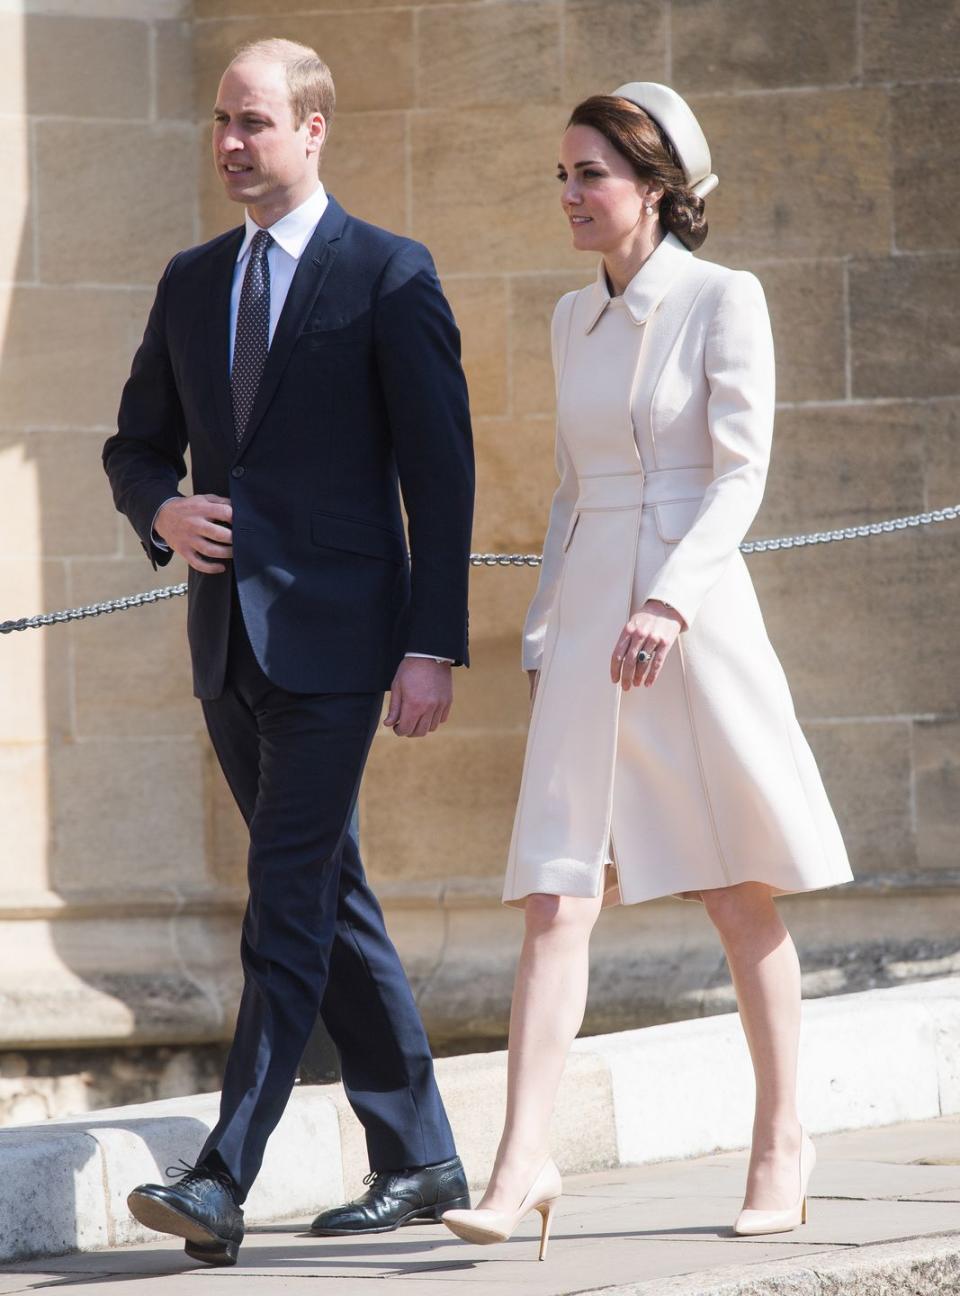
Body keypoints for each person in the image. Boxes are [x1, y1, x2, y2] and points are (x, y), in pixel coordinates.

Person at [442, 82, 853, 1260]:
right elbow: (571, 495)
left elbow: (740, 472)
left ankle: (783, 1141)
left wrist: (669, 599)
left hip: (692, 614)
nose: (569, 196)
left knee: (737, 891)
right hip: (584, 623)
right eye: (561, 176)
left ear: (658, 188)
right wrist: (539, 634)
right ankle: (522, 1162)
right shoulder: (572, 320)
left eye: (591, 176)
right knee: (558, 894)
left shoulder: (728, 300)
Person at [102, 38, 474, 1267]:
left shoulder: (387, 274)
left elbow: (443, 477)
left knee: (284, 897)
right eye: (220, 121)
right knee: (326, 892)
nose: (227, 143)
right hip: (227, 643)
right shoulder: (191, 278)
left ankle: (223, 1172)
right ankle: (419, 1154)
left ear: (314, 128)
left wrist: (431, 647)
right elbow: (135, 444)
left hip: (339, 646)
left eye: (251, 122)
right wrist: (161, 509)